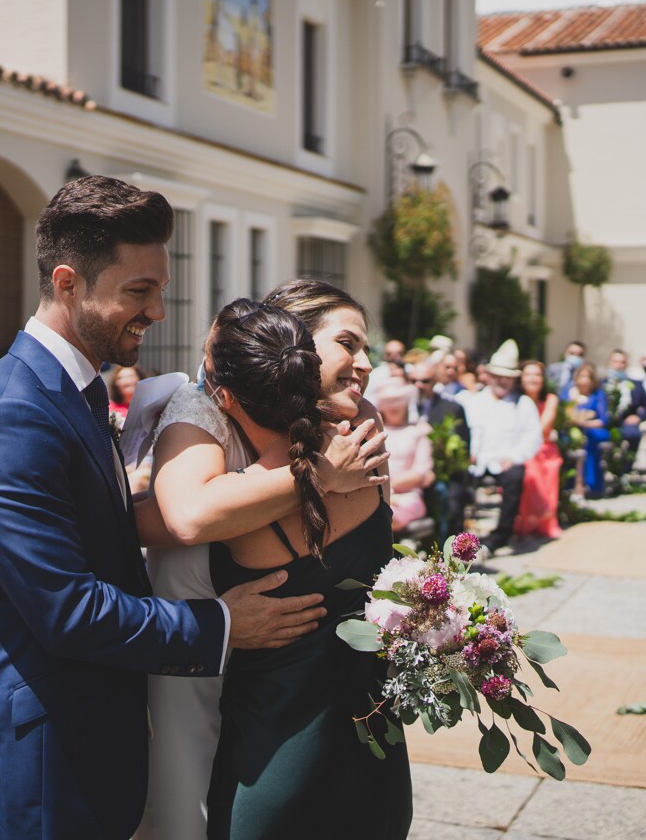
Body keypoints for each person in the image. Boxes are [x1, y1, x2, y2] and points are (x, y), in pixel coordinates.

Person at [0, 176, 329, 840]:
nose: (158, 311)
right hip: (31, 774)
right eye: (138, 291)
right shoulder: (10, 417)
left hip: (84, 747)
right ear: (67, 283)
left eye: (160, 289)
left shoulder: (72, 389)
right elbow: (69, 612)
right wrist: (223, 626)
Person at [134, 282, 389, 840]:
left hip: (364, 730)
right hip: (224, 705)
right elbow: (181, 519)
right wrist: (318, 476)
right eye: (347, 343)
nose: (366, 364)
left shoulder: (362, 429)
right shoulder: (203, 412)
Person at [197, 301, 412, 839]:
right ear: (292, 345)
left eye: (367, 348)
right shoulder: (359, 436)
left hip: (285, 755)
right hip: (341, 757)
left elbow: (174, 519)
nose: (365, 362)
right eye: (347, 343)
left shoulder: (233, 469)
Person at [463, 339, 542, 554]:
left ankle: (501, 535)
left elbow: (533, 438)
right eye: (498, 376)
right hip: (477, 460)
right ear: (489, 376)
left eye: (507, 378)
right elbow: (466, 432)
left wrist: (514, 457)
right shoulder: (474, 401)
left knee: (516, 476)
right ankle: (458, 533)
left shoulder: (523, 404)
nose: (502, 381)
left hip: (505, 460)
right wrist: (469, 453)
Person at [409, 359, 472, 536]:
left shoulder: (452, 408)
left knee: (451, 502)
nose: (418, 385)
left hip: (443, 473)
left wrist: (433, 471)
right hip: (405, 474)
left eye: (425, 381)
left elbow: (462, 452)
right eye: (413, 380)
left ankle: (447, 555)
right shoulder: (398, 408)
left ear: (435, 381)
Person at [374, 379, 434, 535]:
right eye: (389, 402)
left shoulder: (418, 431)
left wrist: (387, 486)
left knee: (385, 518)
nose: (393, 407)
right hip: (376, 495)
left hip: (407, 497)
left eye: (398, 402)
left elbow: (421, 472)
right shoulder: (374, 432)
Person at [517, 360, 564, 539]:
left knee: (550, 471)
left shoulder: (550, 399)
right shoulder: (516, 400)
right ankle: (529, 521)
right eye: (528, 374)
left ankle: (547, 521)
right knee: (530, 468)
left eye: (537, 374)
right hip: (524, 449)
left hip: (545, 449)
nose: (533, 378)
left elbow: (542, 429)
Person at [566, 363, 612, 498]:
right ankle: (569, 482)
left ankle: (591, 483)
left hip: (594, 429)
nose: (584, 380)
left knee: (589, 440)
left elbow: (603, 420)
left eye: (588, 377)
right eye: (582, 376)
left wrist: (586, 423)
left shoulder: (598, 395)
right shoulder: (569, 393)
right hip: (572, 429)